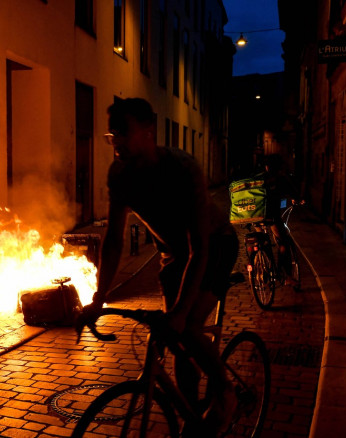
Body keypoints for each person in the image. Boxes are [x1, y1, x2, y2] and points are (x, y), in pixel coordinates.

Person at [80, 98, 239, 435]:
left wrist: (181, 312)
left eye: (123, 133)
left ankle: (226, 393)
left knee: (189, 325)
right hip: (172, 255)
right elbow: (113, 241)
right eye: (112, 135)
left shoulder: (183, 169)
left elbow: (200, 248)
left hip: (215, 244)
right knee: (178, 344)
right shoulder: (120, 174)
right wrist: (98, 298)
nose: (117, 142)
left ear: (148, 132)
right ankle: (192, 415)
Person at [261, 154, 301, 287]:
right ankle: (285, 275)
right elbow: (292, 191)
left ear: (266, 167)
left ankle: (261, 266)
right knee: (283, 243)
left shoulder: (260, 178)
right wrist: (297, 198)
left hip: (255, 216)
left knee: (262, 240)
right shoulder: (279, 178)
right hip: (271, 217)